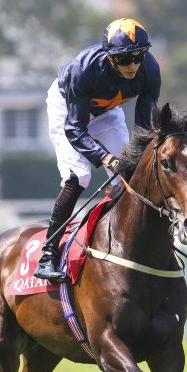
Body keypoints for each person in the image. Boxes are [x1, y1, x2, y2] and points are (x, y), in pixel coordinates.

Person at [34, 17, 161, 283]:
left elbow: (144, 128)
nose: (133, 66)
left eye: (138, 56)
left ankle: (128, 245)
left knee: (128, 175)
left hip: (106, 112)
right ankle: (48, 254)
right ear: (110, 57)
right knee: (79, 176)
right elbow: (75, 128)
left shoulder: (150, 70)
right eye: (125, 59)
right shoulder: (84, 69)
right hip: (68, 110)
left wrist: (131, 161)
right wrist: (105, 157)